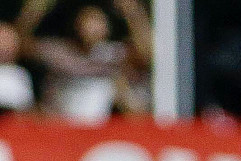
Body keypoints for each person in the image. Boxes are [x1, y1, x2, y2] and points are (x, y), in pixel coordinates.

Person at [16, 0, 151, 121]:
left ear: (107, 27)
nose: (91, 27)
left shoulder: (112, 53)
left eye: (97, 21)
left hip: (97, 127)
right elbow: (18, 46)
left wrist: (132, 11)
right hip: (58, 123)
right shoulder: (58, 51)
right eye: (86, 20)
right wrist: (34, 10)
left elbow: (147, 55)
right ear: (75, 24)